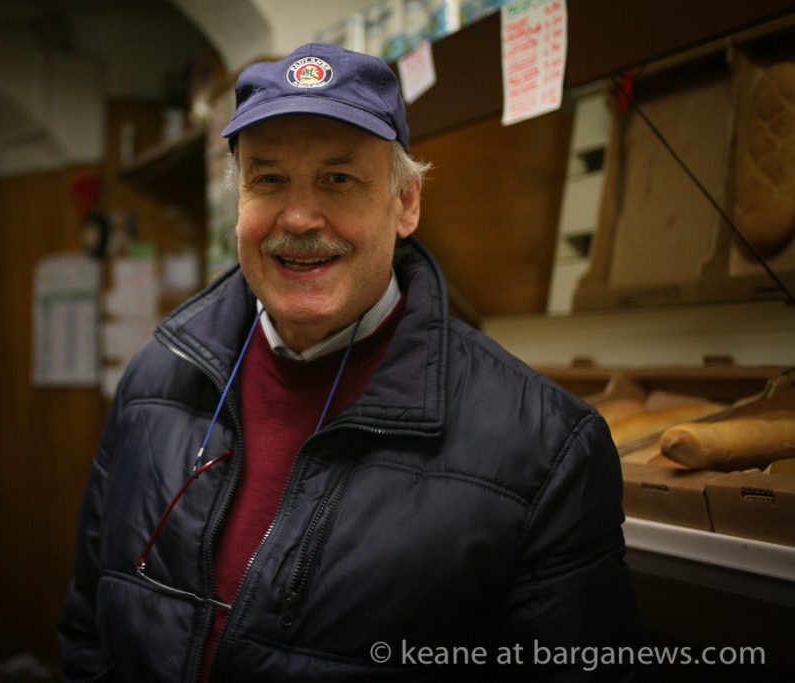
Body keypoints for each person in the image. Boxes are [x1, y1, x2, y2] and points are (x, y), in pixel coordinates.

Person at [59, 43, 649, 682]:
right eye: (269, 179)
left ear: (406, 203)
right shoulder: (154, 382)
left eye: (339, 179)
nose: (299, 217)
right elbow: (90, 629)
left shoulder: (543, 448)